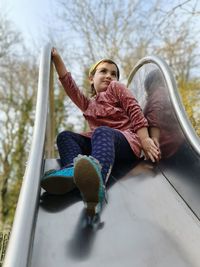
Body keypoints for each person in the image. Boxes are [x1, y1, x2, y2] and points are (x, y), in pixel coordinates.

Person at [41, 48, 160, 217]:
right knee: (65, 136)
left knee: (103, 132)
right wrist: (57, 58)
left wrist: (146, 139)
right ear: (92, 78)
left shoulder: (116, 89)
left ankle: (97, 181)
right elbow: (69, 86)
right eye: (103, 71)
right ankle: (72, 172)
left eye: (114, 73)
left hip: (125, 142)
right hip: (101, 145)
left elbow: (134, 110)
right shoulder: (89, 104)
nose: (109, 76)